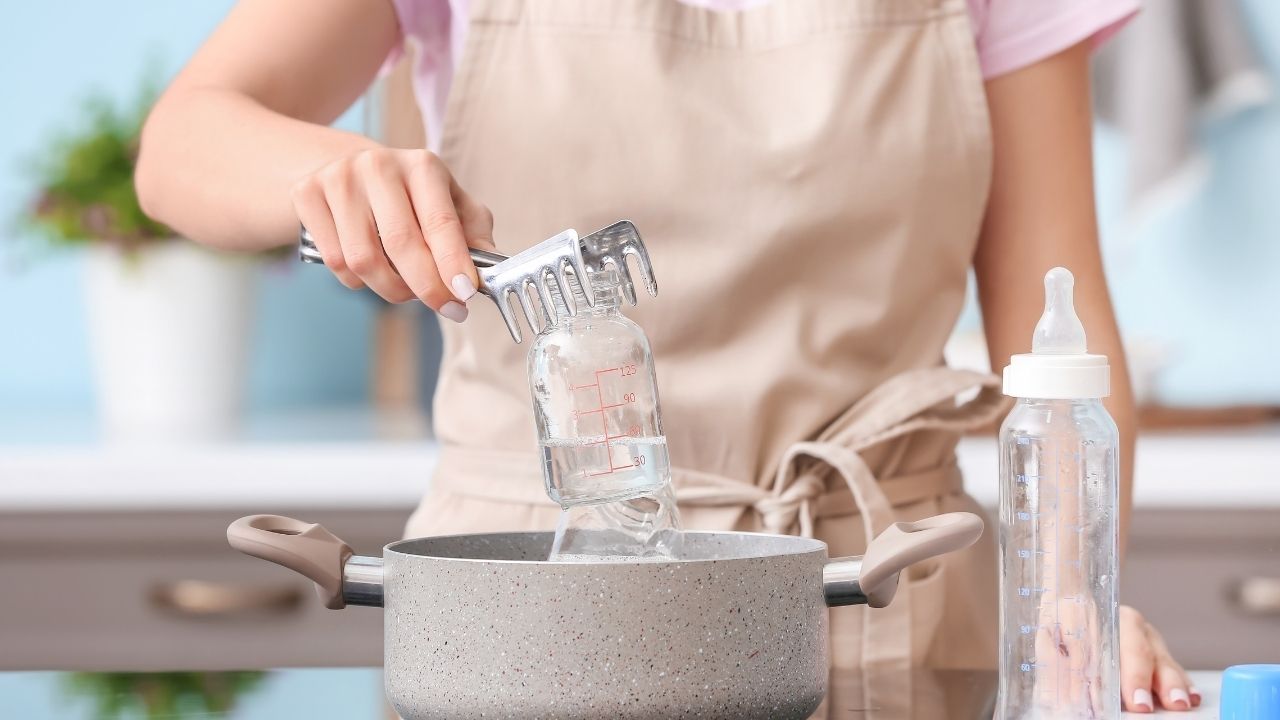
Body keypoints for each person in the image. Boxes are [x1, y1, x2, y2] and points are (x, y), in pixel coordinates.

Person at [136, 0, 1197, 712]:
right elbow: (182, 142)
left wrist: (1071, 595)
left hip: (871, 591)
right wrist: (334, 171)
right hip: (524, 613)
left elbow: (1054, 319)